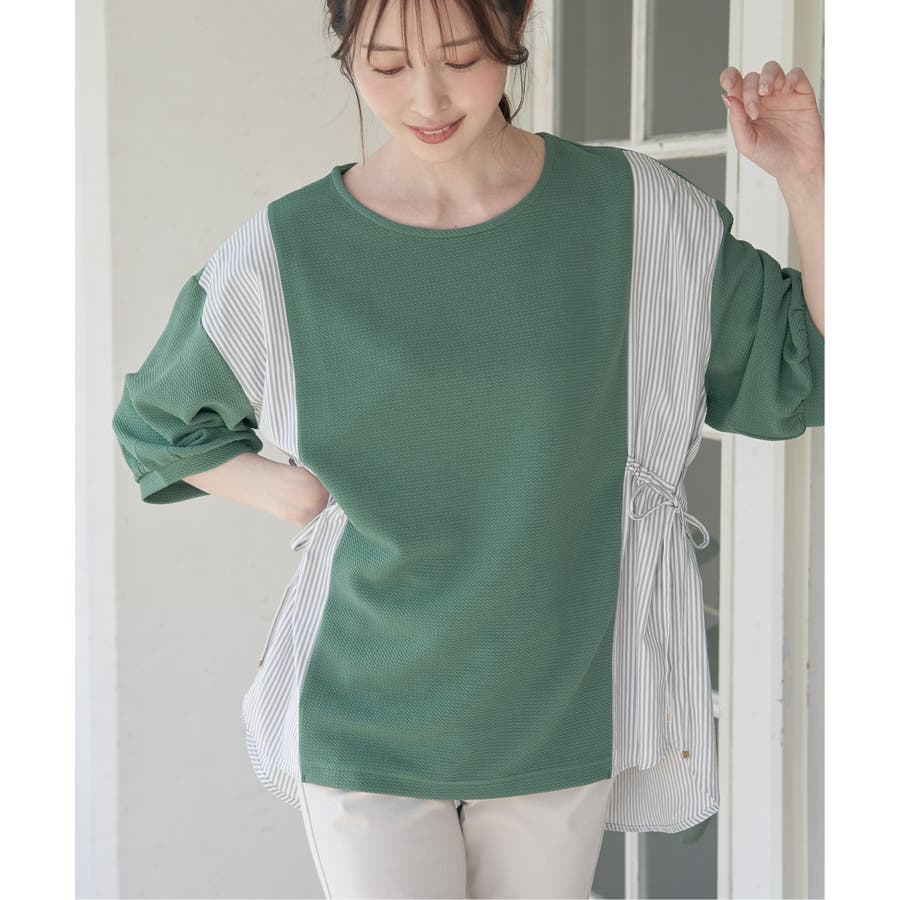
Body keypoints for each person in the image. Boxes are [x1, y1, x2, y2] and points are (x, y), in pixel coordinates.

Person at [110, 0, 825, 896]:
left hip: (558, 696)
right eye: (386, 64)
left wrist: (808, 179)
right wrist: (287, 492)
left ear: (515, 32)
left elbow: (805, 366)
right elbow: (157, 422)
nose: (427, 98)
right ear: (345, 55)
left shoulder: (639, 215)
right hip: (363, 701)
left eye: (459, 57)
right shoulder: (287, 250)